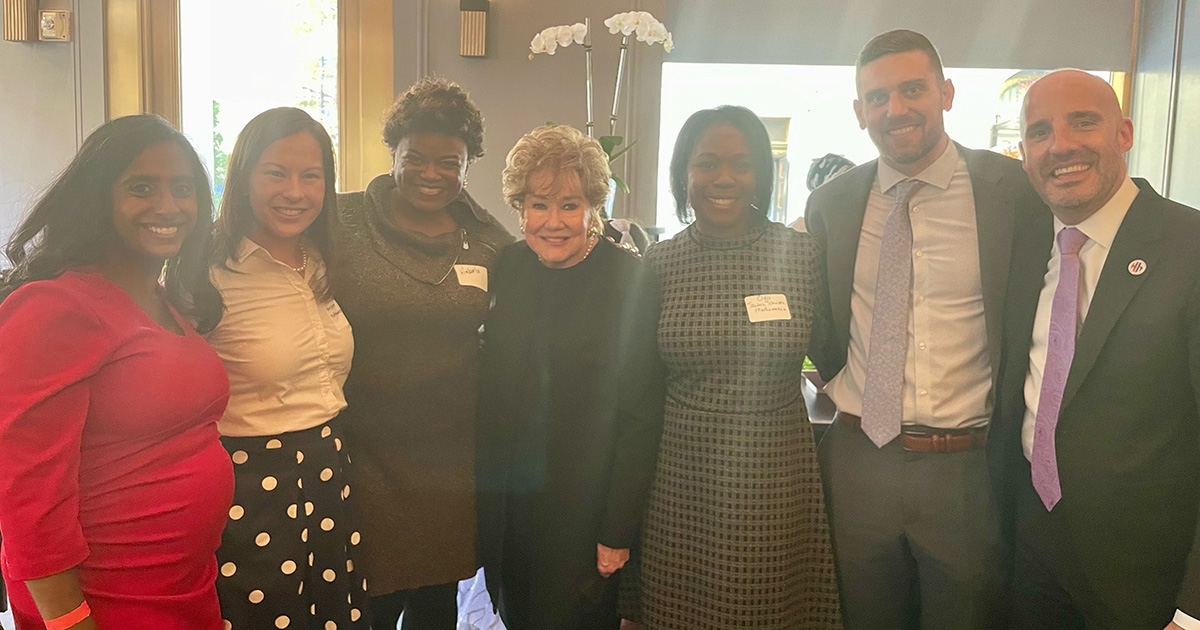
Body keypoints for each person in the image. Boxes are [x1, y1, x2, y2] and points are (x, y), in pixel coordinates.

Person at [804, 30, 1044, 629]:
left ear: (947, 92)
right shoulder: (831, 204)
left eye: (913, 89)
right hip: (858, 459)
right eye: (877, 97)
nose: (895, 109)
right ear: (860, 113)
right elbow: (824, 324)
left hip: (968, 470)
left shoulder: (1014, 193)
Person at [0, 114, 231, 630]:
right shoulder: (55, 306)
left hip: (184, 587)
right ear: (99, 198)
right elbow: (28, 501)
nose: (168, 206)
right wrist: (68, 621)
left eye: (183, 188)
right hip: (107, 599)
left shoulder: (166, 301)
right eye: (141, 188)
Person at [995, 70, 1200, 630]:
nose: (1060, 145)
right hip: (1032, 561)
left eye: (1083, 122)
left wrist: (1194, 610)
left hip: (1148, 586)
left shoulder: (1191, 248)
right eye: (1039, 132)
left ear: (1124, 133)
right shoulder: (1022, 251)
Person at [631, 105, 840, 630]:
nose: (723, 178)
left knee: (768, 613)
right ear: (684, 173)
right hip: (680, 479)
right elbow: (636, 387)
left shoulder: (803, 256)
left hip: (774, 478)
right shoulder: (657, 265)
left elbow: (840, 356)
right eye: (707, 163)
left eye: (741, 164)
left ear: (762, 175)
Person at [329, 77, 513, 629]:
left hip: (449, 456)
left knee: (436, 604)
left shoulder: (490, 242)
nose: (432, 174)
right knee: (370, 605)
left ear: (468, 162)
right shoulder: (340, 221)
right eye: (417, 158)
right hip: (360, 449)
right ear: (393, 152)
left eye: (449, 162)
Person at [475, 123, 665, 630]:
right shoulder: (508, 268)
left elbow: (641, 414)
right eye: (539, 204)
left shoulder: (630, 280)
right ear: (520, 208)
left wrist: (617, 528)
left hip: (585, 507)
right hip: (513, 505)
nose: (553, 222)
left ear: (594, 206)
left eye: (569, 204)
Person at [206, 107, 369, 630]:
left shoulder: (323, 261)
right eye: (276, 172)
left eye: (311, 175)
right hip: (248, 484)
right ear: (244, 177)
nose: (294, 191)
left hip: (328, 466)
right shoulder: (207, 273)